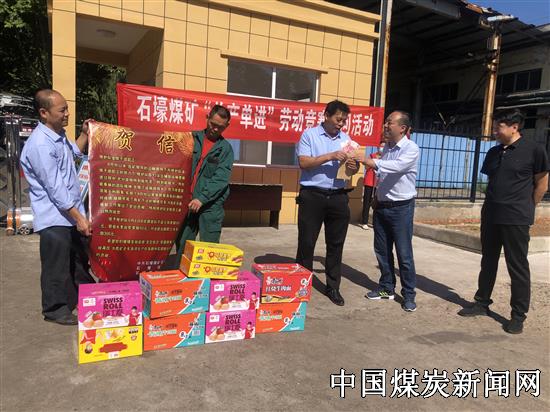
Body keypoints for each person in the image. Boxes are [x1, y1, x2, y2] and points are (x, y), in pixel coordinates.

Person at [458, 109, 549, 334]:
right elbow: (493, 181)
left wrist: (528, 207)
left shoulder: (534, 150)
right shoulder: (494, 152)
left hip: (516, 218)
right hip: (491, 215)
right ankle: (482, 303)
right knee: (488, 261)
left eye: (498, 126)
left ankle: (518, 315)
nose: (494, 131)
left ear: (514, 127)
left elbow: (542, 183)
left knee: (517, 266)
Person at [20, 89, 95, 325]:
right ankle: (54, 309)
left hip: (69, 214)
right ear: (44, 113)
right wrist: (80, 218)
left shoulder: (58, 136)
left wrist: (84, 134)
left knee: (78, 261)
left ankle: (87, 298)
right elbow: (56, 189)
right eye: (62, 110)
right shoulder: (41, 145)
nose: (67, 114)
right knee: (57, 266)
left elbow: (74, 153)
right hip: (54, 216)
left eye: (67, 109)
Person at [295, 100, 358, 306]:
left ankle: (333, 287)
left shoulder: (346, 140)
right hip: (312, 195)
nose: (341, 124)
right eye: (338, 119)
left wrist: (353, 166)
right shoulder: (309, 135)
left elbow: (351, 171)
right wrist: (330, 155)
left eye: (344, 121)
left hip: (338, 196)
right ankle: (301, 285)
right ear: (326, 116)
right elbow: (304, 163)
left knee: (336, 245)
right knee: (306, 242)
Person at [355, 111, 420, 312]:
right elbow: (384, 176)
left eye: (389, 123)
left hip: (401, 208)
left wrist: (368, 161)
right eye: (385, 122)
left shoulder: (411, 148)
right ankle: (386, 288)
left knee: (404, 254)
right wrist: (377, 196)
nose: (385, 125)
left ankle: (408, 295)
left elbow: (396, 167)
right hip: (382, 206)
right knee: (382, 251)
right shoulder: (387, 148)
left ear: (402, 128)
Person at [175, 105, 234, 262]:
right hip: (188, 203)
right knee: (183, 247)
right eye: (213, 124)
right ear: (207, 117)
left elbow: (221, 179)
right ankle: (182, 276)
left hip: (210, 206)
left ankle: (206, 277)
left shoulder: (225, 149)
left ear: (227, 126)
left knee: (209, 251)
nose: (215, 129)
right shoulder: (191, 139)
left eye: (220, 127)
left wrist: (202, 198)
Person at [360, 139, 385, 230]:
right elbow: (366, 167)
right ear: (378, 147)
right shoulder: (372, 156)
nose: (382, 148)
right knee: (367, 201)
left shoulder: (385, 157)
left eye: (384, 147)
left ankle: (375, 222)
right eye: (381, 146)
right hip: (369, 181)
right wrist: (373, 163)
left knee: (377, 203)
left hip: (378, 183)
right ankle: (364, 221)